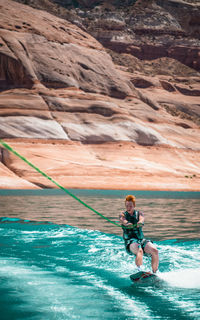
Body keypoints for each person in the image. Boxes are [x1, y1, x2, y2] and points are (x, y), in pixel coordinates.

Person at [119, 195, 159, 273]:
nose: (128, 208)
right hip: (130, 242)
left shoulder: (139, 213)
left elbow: (142, 219)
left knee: (155, 251)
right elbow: (122, 220)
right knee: (139, 250)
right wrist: (127, 223)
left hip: (140, 240)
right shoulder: (122, 214)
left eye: (130, 206)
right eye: (127, 206)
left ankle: (155, 272)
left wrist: (140, 222)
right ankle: (139, 271)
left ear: (134, 205)